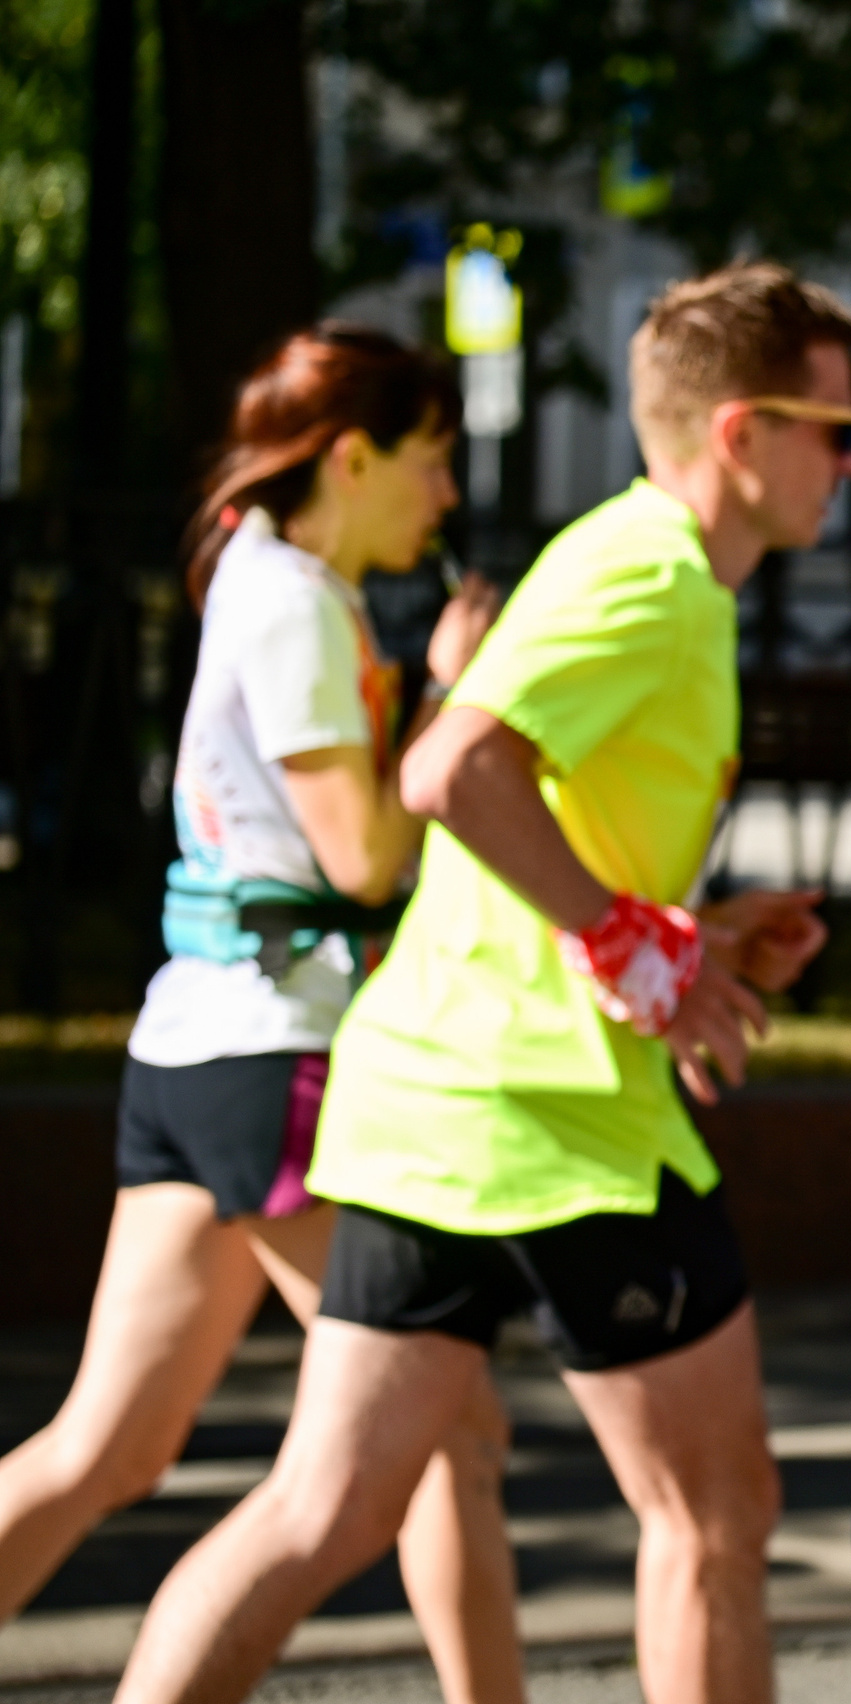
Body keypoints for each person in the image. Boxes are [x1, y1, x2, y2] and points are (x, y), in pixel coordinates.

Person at [110, 263, 851, 1704]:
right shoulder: (648, 574)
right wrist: (637, 950)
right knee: (716, 1518)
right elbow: (450, 771)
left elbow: (536, 820)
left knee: (319, 1513)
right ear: (740, 435)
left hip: (431, 1103)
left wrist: (692, 930)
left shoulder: (647, 571)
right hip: (560, 1124)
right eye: (833, 426)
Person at [0, 326, 519, 1699]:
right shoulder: (294, 596)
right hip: (281, 1063)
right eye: (430, 459)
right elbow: (362, 857)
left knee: (107, 1448)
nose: (446, 494)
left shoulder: (261, 572)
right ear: (350, 458)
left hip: (195, 1050)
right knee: (444, 1431)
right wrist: (459, 700)